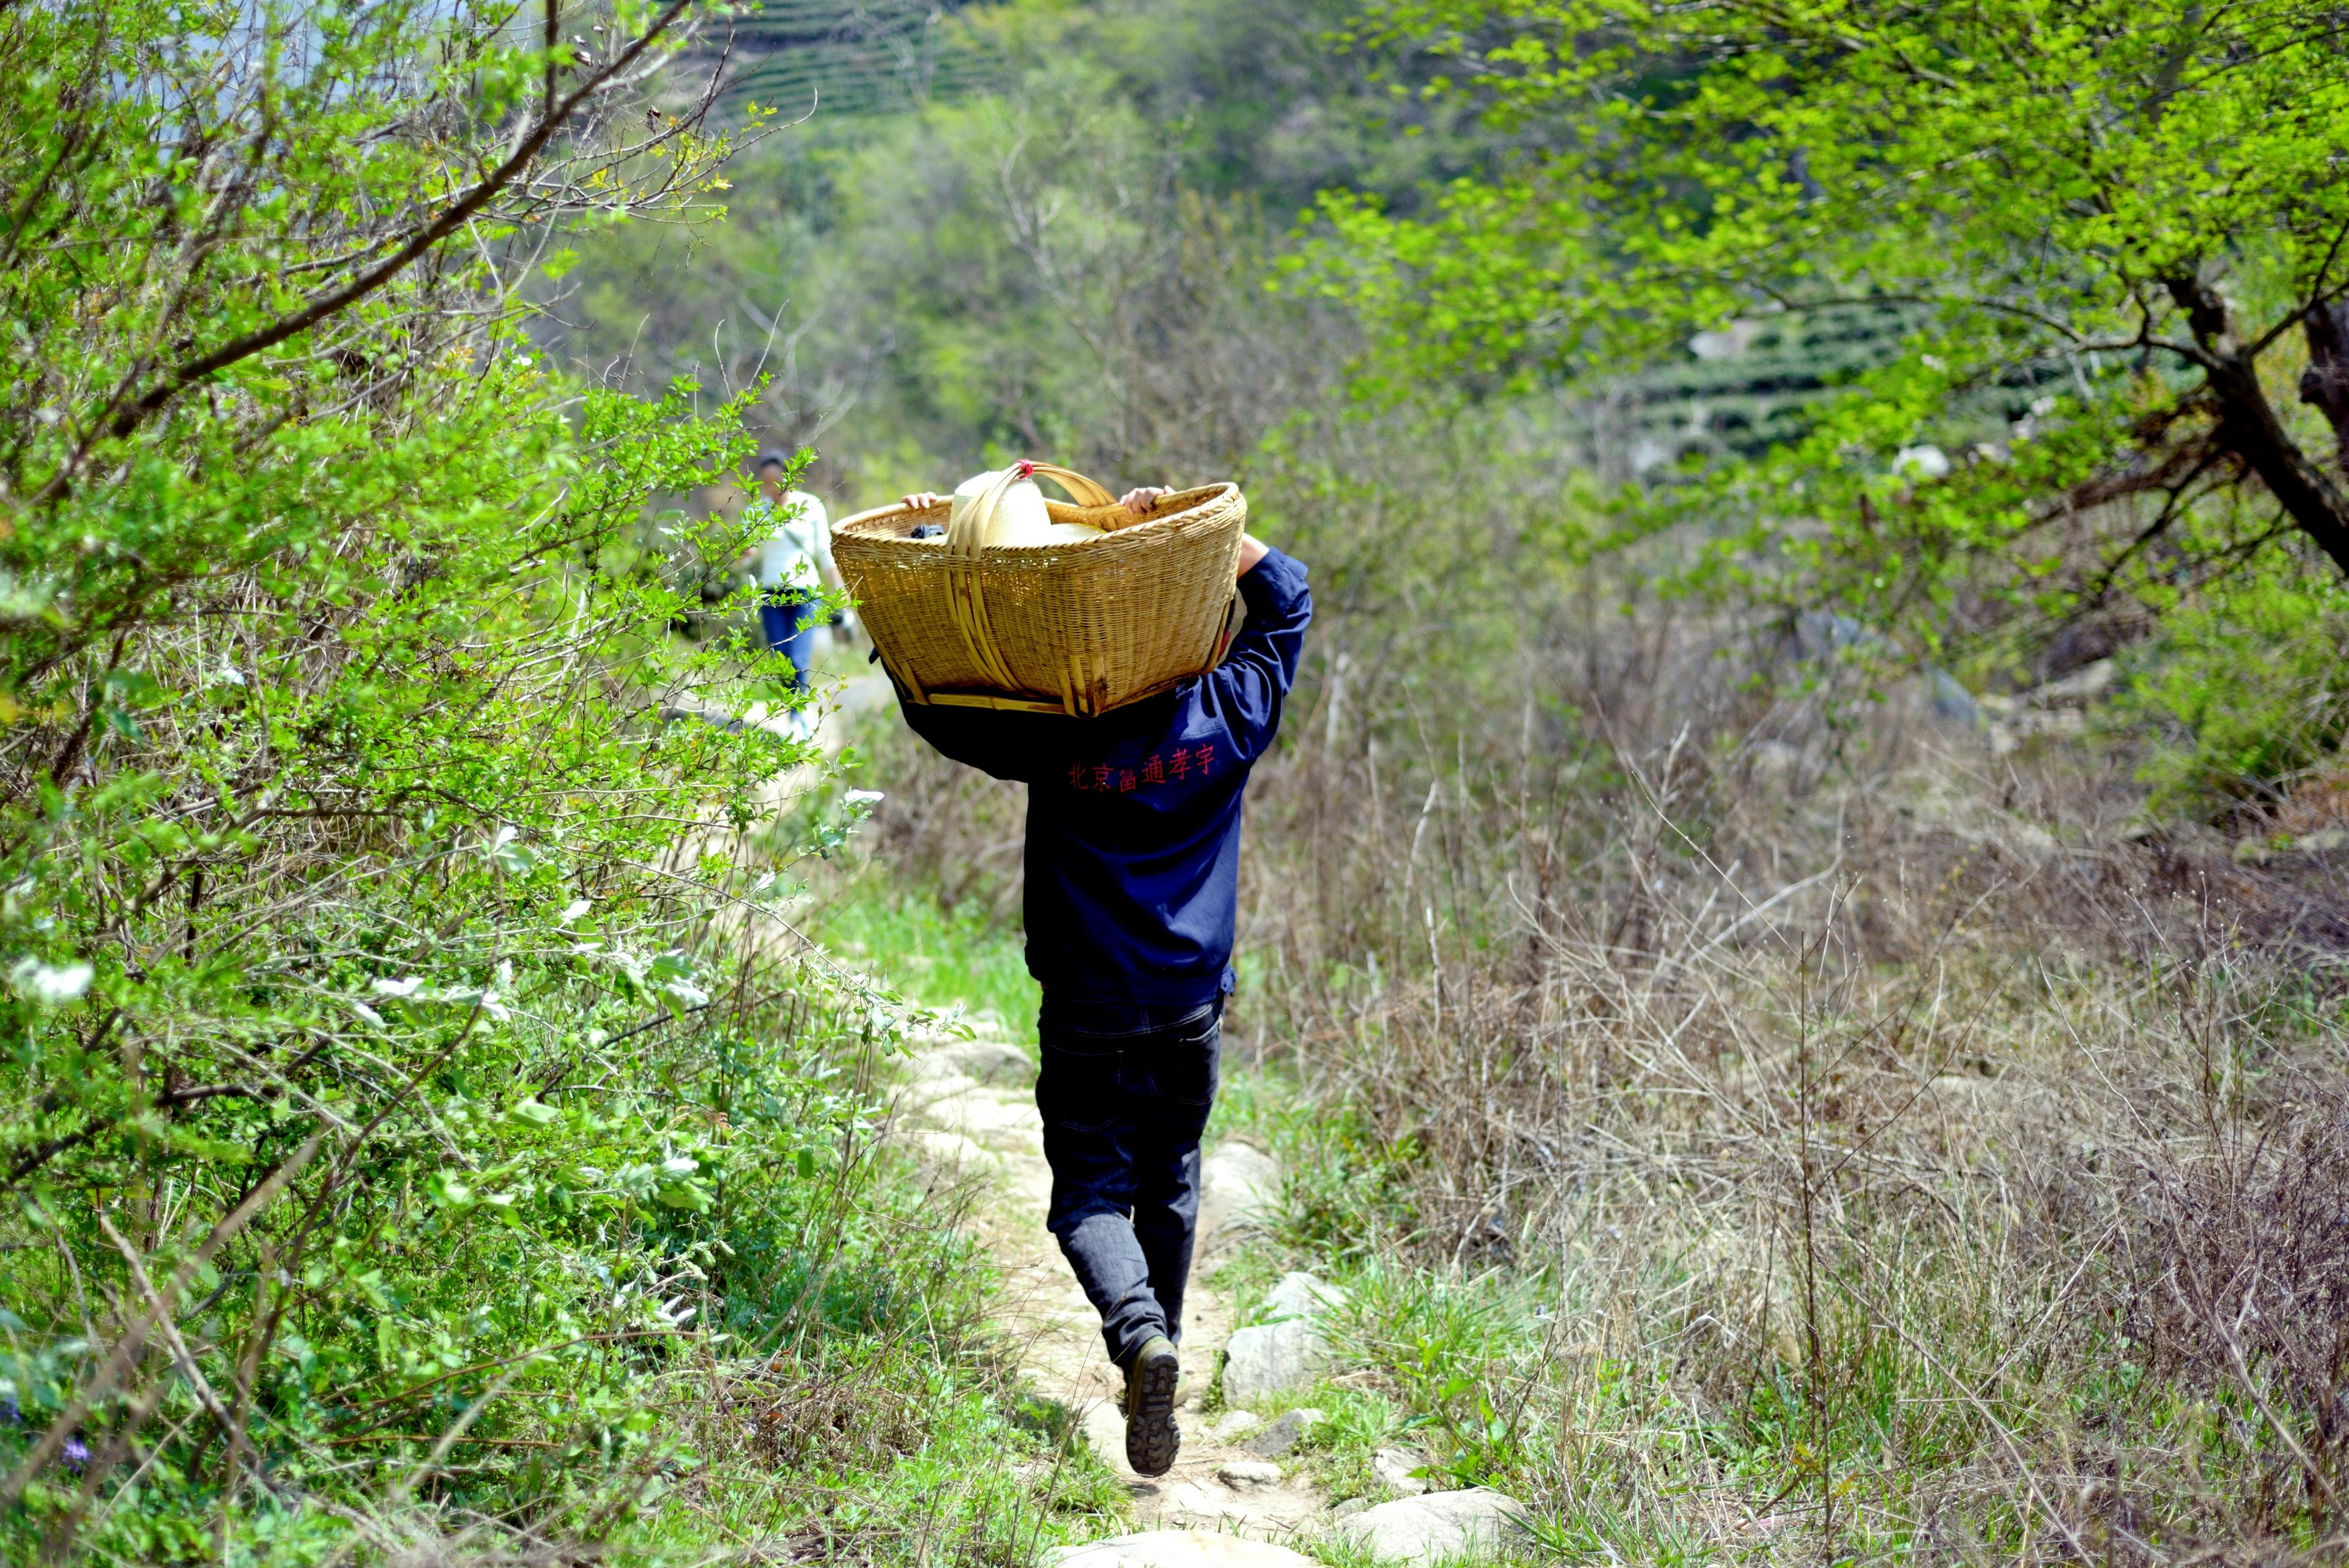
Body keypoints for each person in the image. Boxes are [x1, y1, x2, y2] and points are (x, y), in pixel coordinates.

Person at [886, 483, 1312, 1477]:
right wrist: (1185, 534)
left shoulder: (1056, 734)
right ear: (1194, 630)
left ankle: (1137, 1337)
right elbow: (1286, 601)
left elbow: (929, 692)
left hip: (1086, 1002)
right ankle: (1155, 1348)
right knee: (1170, 1177)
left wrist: (924, 540)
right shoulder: (1233, 713)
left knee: (1087, 1194)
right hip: (1192, 1003)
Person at [735, 451, 838, 708]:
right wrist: (744, 552)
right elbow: (744, 559)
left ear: (789, 477)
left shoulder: (811, 505)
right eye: (766, 482)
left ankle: (798, 713)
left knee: (798, 657)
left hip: (805, 592)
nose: (771, 488)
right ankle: (794, 708)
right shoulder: (756, 511)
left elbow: (825, 553)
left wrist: (839, 592)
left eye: (776, 481)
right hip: (772, 593)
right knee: (781, 658)